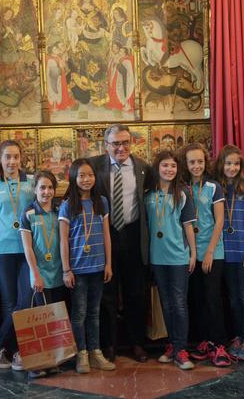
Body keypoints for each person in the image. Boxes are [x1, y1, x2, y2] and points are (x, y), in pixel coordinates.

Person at [90, 124, 151, 363]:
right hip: (105, 237)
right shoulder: (93, 167)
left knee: (136, 293)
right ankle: (109, 345)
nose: (121, 148)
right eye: (116, 143)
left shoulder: (143, 167)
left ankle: (137, 343)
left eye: (125, 142)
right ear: (106, 145)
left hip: (134, 235)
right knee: (107, 294)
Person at [0, 140, 36, 371]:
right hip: (1, 249)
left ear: (21, 158)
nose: (12, 161)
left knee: (26, 300)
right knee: (9, 302)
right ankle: (15, 352)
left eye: (16, 157)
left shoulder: (32, 182)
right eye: (7, 157)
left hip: (27, 248)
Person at [59, 159, 115, 374]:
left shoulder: (101, 202)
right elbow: (63, 240)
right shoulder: (67, 205)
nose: (86, 179)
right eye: (81, 175)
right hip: (78, 269)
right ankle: (81, 353)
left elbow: (107, 235)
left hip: (98, 266)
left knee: (94, 312)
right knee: (79, 313)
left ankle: (95, 352)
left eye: (90, 175)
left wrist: (108, 263)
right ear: (74, 178)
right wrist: (66, 270)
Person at [180, 144, 232, 367]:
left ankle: (219, 345)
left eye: (200, 161)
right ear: (186, 164)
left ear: (205, 162)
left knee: (212, 298)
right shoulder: (182, 187)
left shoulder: (213, 186)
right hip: (191, 252)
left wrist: (210, 251)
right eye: (192, 162)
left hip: (212, 250)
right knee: (197, 298)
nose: (196, 166)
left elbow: (219, 221)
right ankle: (205, 342)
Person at [145, 150, 197, 370]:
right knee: (166, 303)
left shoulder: (182, 193)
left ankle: (181, 349)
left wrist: (193, 253)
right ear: (157, 167)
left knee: (179, 302)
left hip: (178, 256)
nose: (169, 169)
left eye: (173, 166)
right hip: (157, 257)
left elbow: (188, 226)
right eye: (165, 165)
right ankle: (172, 345)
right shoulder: (148, 194)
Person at [214, 145, 244, 361]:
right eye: (228, 163)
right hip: (226, 253)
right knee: (233, 298)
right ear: (221, 165)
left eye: (236, 164)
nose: (232, 168)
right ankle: (238, 337)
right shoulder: (218, 188)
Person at [20, 170, 64, 378]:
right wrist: (35, 274)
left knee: (55, 318)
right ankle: (38, 363)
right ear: (35, 190)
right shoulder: (28, 213)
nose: (46, 192)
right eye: (42, 188)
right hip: (40, 274)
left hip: (58, 272)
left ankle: (52, 360)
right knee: (42, 319)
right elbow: (27, 248)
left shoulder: (60, 210)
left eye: (50, 188)